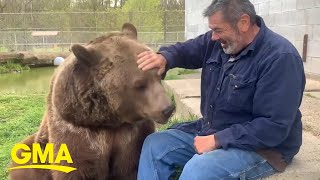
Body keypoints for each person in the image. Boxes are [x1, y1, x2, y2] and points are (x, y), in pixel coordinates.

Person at [136, 0, 305, 179]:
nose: (214, 37)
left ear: (244, 23)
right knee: (155, 144)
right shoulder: (217, 42)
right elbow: (187, 50)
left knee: (198, 170)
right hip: (212, 130)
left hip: (262, 148)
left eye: (218, 30)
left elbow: (273, 127)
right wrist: (165, 58)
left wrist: (218, 140)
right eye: (212, 30)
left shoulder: (279, 58)